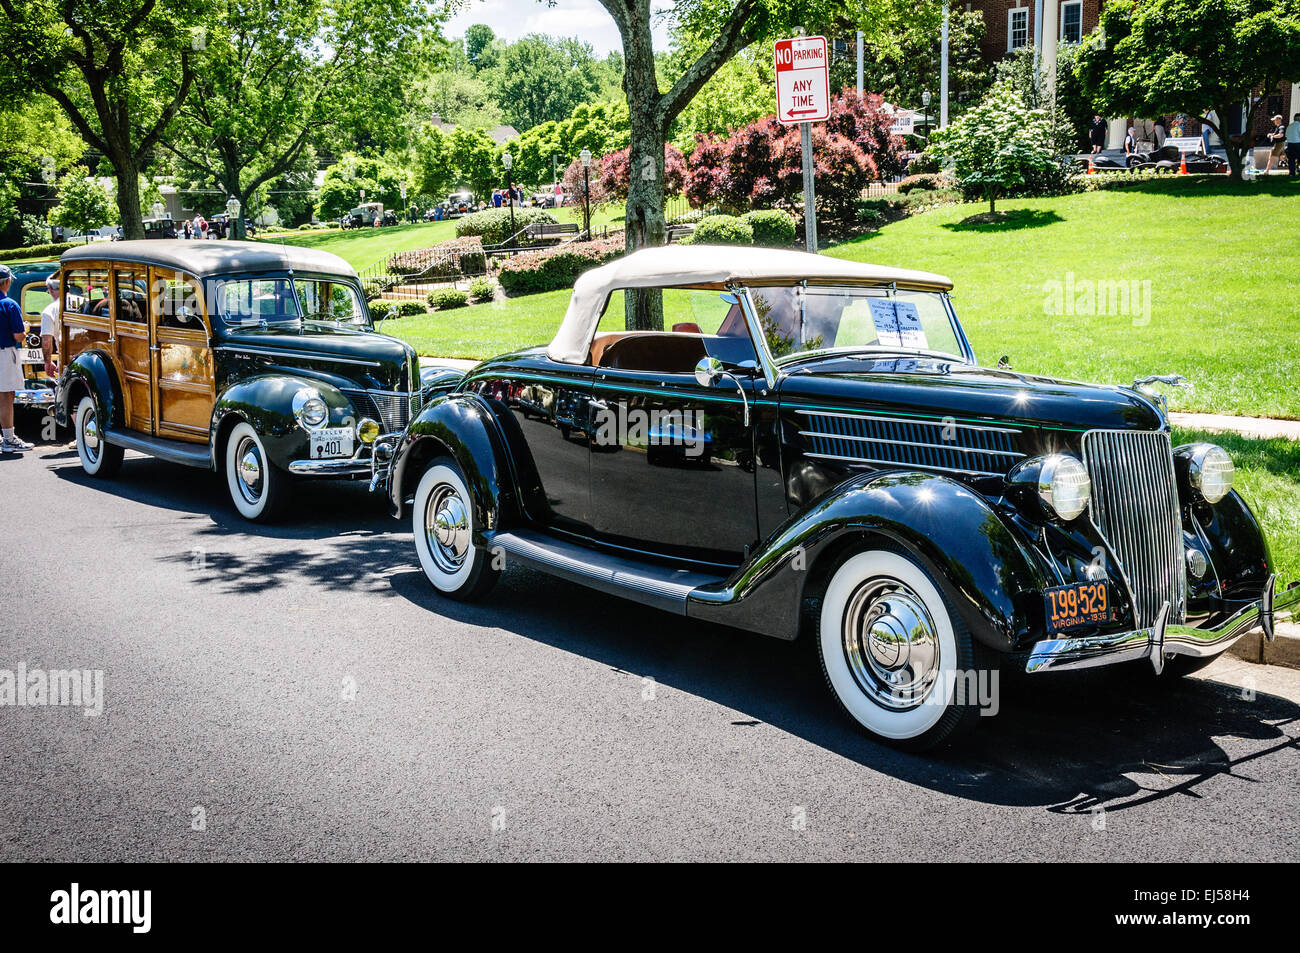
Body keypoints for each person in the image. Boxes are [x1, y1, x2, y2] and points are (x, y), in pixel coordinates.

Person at [0, 265, 35, 452]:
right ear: (6, 282)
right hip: (4, 352)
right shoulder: (10, 304)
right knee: (6, 396)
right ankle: (8, 438)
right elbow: (18, 335)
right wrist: (25, 328)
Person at [39, 273, 60, 379]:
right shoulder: (83, 303)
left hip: (66, 356)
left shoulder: (49, 311)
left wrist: (48, 362)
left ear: (51, 290)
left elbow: (46, 341)